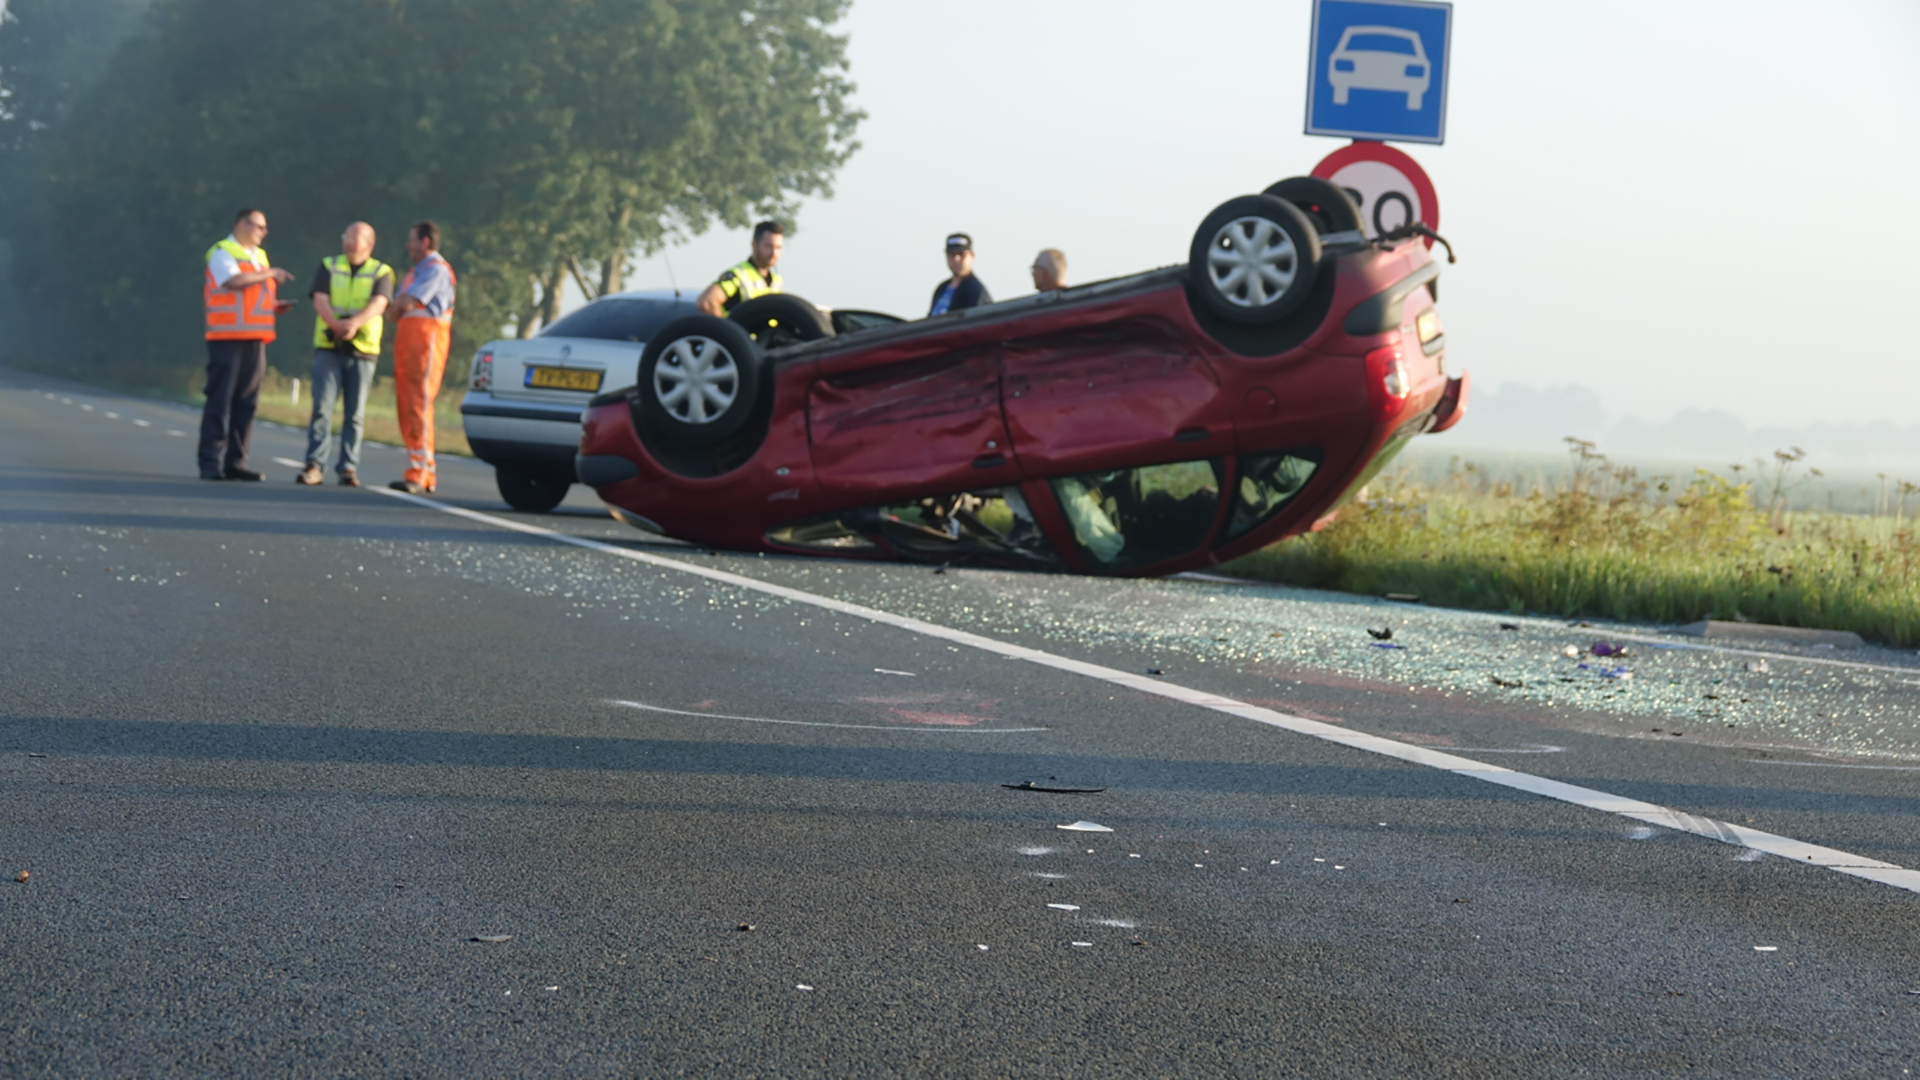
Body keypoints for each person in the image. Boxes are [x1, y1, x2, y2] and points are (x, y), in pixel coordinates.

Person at [199, 208, 294, 481]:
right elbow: (233, 282)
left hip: (255, 337)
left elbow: (254, 295)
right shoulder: (222, 251)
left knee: (247, 403)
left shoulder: (258, 256)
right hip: (226, 337)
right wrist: (270, 274)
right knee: (220, 400)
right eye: (259, 226)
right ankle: (210, 462)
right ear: (242, 224)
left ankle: (237, 462)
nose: (264, 232)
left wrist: (275, 306)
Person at [298, 222, 394, 487]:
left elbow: (380, 303)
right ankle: (314, 464)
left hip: (362, 351)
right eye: (347, 236)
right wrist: (336, 325)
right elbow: (320, 299)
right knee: (322, 408)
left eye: (356, 238)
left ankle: (348, 467)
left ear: (369, 244)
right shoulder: (329, 265)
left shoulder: (381, 271)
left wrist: (354, 324)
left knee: (355, 414)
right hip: (329, 347)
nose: (349, 242)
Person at [387, 220, 458, 495]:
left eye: (412, 240)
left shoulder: (435, 270)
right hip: (410, 344)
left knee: (420, 403)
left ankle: (422, 471)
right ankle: (418, 467)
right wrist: (397, 309)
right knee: (408, 404)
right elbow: (397, 309)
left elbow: (404, 303)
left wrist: (397, 308)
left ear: (425, 242)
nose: (408, 245)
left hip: (426, 343)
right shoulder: (416, 271)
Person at [695, 221, 784, 317]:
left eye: (778, 248)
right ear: (755, 245)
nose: (774, 253)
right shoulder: (738, 275)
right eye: (768, 246)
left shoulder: (776, 281)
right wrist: (728, 329)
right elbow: (707, 302)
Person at [929, 233, 992, 316]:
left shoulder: (975, 290)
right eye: (952, 254)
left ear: (972, 255)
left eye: (961, 254)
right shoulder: (942, 288)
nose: (956, 259)